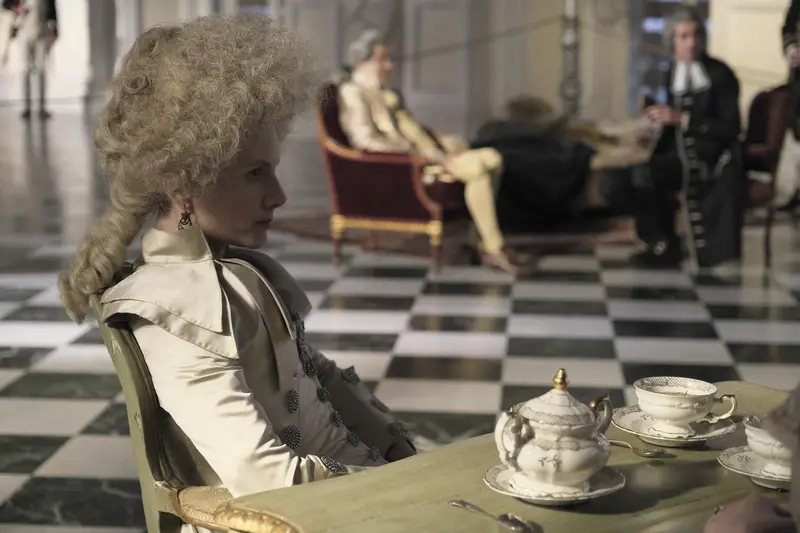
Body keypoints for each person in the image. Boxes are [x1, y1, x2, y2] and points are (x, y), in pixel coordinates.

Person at [57, 15, 415, 533]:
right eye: (255, 174)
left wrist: (403, 456)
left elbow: (318, 378)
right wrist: (400, 489)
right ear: (186, 181)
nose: (279, 196)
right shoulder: (173, 309)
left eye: (273, 169)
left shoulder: (238, 274)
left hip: (357, 501)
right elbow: (268, 482)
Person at [337, 29, 527, 274]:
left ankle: (478, 239)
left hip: (430, 154)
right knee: (478, 166)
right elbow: (366, 141)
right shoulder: (353, 92)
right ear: (361, 62)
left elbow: (414, 129)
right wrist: (417, 153)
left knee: (494, 157)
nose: (389, 65)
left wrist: (444, 142)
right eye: (382, 59)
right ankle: (494, 247)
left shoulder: (384, 92)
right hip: (408, 165)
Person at [598, 7, 744, 269]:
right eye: (684, 36)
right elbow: (673, 125)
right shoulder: (671, 72)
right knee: (612, 181)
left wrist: (682, 118)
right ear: (672, 41)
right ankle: (657, 237)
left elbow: (730, 128)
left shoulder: (720, 74)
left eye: (696, 35)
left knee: (645, 175)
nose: (691, 43)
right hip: (676, 154)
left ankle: (665, 245)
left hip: (710, 158)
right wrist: (650, 131)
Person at [0, 0, 58, 119]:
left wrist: (55, 27)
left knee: (41, 70)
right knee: (26, 69)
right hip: (24, 30)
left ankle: (42, 107)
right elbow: (6, 4)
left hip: (42, 30)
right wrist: (16, 8)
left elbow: (52, 8)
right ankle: (27, 107)